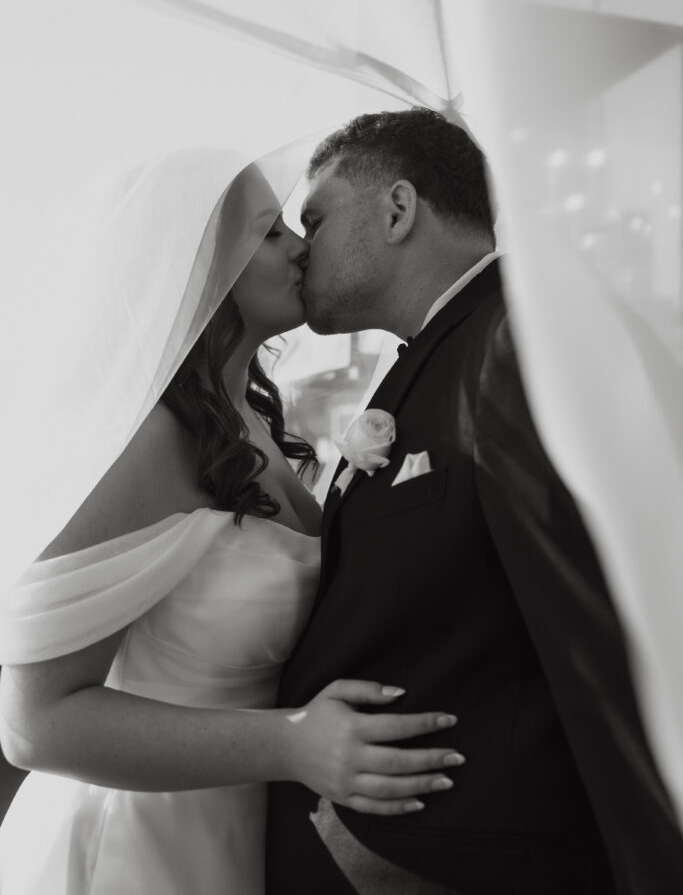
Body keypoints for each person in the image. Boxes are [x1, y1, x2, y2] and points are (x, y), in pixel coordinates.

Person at [0, 152, 465, 895]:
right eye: (270, 230)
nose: (299, 245)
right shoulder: (148, 442)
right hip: (130, 850)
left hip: (236, 834)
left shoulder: (249, 421)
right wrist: (290, 745)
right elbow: (35, 723)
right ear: (195, 261)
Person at [266, 108, 683, 894]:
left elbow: (596, 632)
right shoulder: (442, 351)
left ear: (396, 210)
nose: (301, 248)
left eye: (315, 218)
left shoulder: (519, 343)